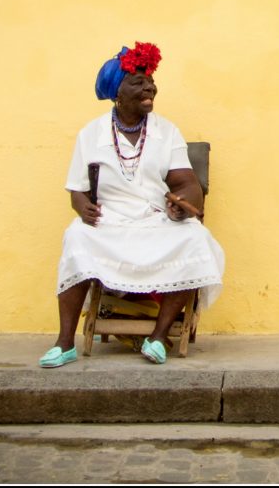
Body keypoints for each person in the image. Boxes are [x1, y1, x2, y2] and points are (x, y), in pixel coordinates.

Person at [39, 41, 225, 367]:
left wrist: (183, 203)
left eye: (150, 81)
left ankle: (158, 337)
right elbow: (77, 191)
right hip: (108, 222)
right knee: (76, 236)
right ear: (117, 92)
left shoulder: (166, 132)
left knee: (195, 239)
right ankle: (65, 342)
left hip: (155, 219)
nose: (149, 87)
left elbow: (187, 184)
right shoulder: (90, 134)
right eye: (138, 82)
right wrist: (82, 208)